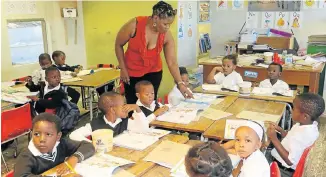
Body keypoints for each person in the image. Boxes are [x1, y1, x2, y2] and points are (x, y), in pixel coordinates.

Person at [115, 1, 193, 104]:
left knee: (150, 104)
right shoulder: (134, 25)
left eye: (169, 24)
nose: (167, 27)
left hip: (153, 72)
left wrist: (180, 84)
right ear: (155, 18)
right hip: (131, 73)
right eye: (165, 24)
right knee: (133, 106)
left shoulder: (166, 35)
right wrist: (123, 68)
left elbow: (172, 62)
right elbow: (118, 45)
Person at [14, 113, 95, 177]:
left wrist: (74, 159)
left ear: (58, 136)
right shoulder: (26, 156)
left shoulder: (61, 144)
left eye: (48, 134)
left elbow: (88, 146)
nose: (42, 139)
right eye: (37, 134)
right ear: (31, 134)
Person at [267, 93, 325, 177]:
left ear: (305, 116)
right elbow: (292, 139)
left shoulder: (303, 135)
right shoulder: (308, 125)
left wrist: (274, 139)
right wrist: (281, 130)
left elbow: (290, 161)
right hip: (282, 164)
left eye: (293, 109)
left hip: (283, 171)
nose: (291, 111)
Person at [69, 91, 144, 142]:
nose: (126, 107)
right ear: (113, 110)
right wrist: (92, 144)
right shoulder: (95, 124)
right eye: (123, 105)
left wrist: (137, 109)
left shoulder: (124, 121)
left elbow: (143, 129)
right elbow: (73, 135)